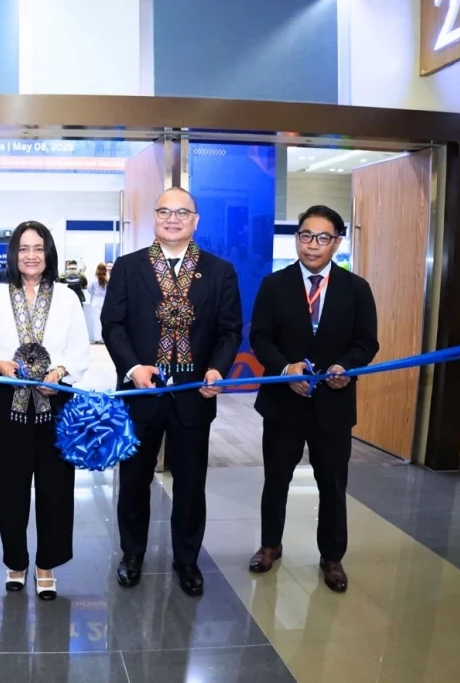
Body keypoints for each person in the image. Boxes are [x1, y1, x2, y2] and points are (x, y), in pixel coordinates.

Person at [101, 187, 242, 597]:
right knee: (133, 482)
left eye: (183, 212)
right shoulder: (128, 268)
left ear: (196, 220)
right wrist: (132, 368)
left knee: (191, 484)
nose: (173, 218)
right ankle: (132, 554)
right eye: (165, 211)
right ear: (154, 217)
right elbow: (113, 326)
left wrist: (218, 367)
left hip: (192, 395)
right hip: (140, 394)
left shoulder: (219, 271)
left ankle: (187, 560)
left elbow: (230, 330)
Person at [248, 205, 378, 593]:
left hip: (333, 408)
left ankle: (332, 557)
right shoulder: (275, 285)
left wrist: (345, 367)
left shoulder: (356, 289)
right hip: (283, 405)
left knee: (333, 485)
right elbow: (260, 338)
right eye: (306, 235)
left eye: (323, 237)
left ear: (337, 242)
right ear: (297, 238)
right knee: (276, 481)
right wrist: (285, 369)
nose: (313, 245)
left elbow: (366, 342)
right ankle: (270, 545)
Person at [0, 221, 90, 601]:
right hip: (9, 403)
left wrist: (58, 371)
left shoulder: (67, 298)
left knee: (55, 488)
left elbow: (79, 349)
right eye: (23, 248)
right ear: (13, 255)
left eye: (38, 248)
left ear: (48, 253)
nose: (31, 255)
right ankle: (16, 562)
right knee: (9, 487)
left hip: (56, 401)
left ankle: (46, 564)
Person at [87, 263, 109, 343]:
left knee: (96, 320)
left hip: (96, 301)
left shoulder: (94, 280)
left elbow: (89, 290)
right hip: (105, 301)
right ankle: (104, 338)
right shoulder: (107, 279)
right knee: (104, 320)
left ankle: (97, 338)